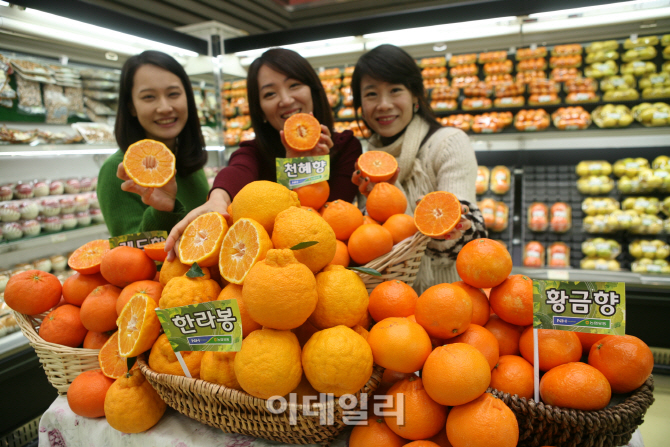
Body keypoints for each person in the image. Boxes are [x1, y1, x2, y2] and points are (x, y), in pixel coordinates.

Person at [165, 48, 362, 260]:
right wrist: (218, 198)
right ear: (260, 111)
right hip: (268, 266)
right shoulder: (254, 151)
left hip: (333, 263)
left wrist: (306, 169)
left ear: (313, 91)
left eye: (294, 85)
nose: (286, 100)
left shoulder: (346, 146)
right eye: (270, 93)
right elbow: (239, 169)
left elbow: (333, 225)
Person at [351, 44, 487, 292]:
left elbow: (471, 239)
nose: (383, 104)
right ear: (360, 102)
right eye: (371, 94)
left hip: (447, 297)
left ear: (415, 95)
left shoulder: (447, 143)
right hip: (382, 299)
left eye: (395, 90)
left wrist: (451, 225)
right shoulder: (361, 159)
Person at [98, 50, 209, 238]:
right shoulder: (117, 172)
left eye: (173, 94)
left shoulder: (186, 161)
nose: (165, 107)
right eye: (149, 97)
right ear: (131, 107)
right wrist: (163, 211)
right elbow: (128, 259)